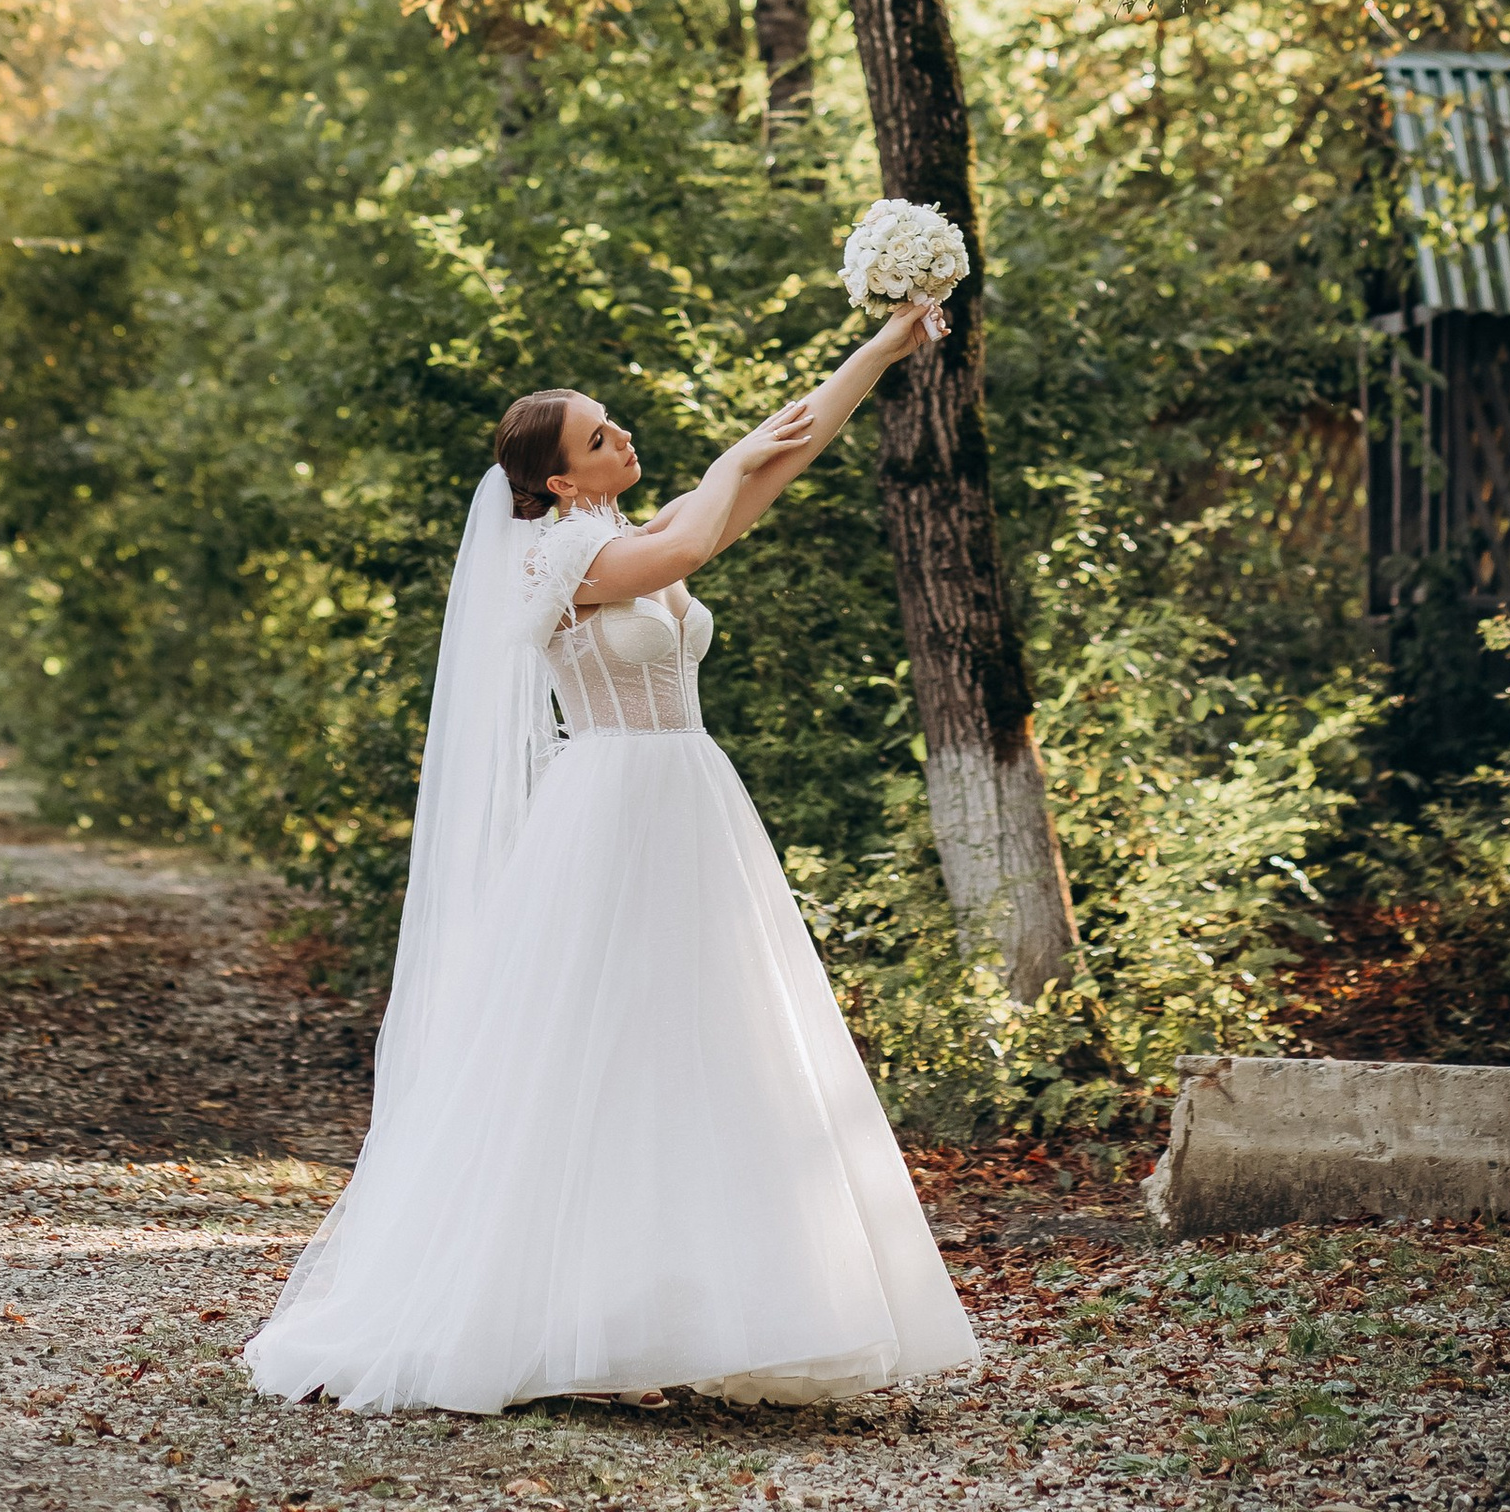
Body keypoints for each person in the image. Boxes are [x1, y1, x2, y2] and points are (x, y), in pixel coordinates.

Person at [242, 299, 982, 1416]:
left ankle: (708, 1305)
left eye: (611, 422)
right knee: (592, 1048)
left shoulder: (619, 534)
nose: (622, 436)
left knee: (708, 1043)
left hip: (689, 796)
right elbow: (691, 539)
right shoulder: (559, 558)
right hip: (610, 806)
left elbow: (779, 454)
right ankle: (550, 1312)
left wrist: (881, 349)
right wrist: (734, 458)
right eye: (599, 437)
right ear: (556, 484)